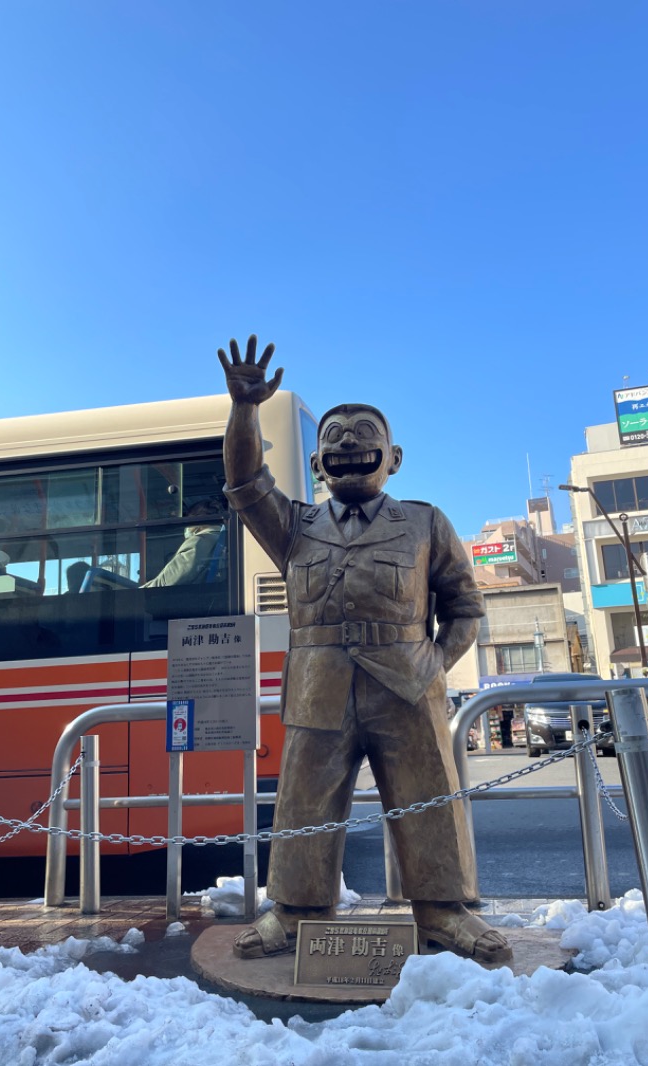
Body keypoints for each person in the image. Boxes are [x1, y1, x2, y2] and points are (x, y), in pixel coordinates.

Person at [217, 334, 512, 965]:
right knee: (304, 801)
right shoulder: (294, 526)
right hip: (318, 684)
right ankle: (295, 914)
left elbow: (466, 606)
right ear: (319, 465)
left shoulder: (426, 523)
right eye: (334, 437)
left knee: (427, 794)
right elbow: (244, 480)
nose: (347, 441)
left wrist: (433, 662)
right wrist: (245, 410)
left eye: (363, 432)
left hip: (407, 683)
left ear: (395, 457)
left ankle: (443, 913)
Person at [142, 501, 225, 587]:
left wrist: (139, 591)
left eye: (188, 522)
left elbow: (167, 581)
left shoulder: (199, 541)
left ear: (197, 521)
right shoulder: (217, 537)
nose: (187, 528)